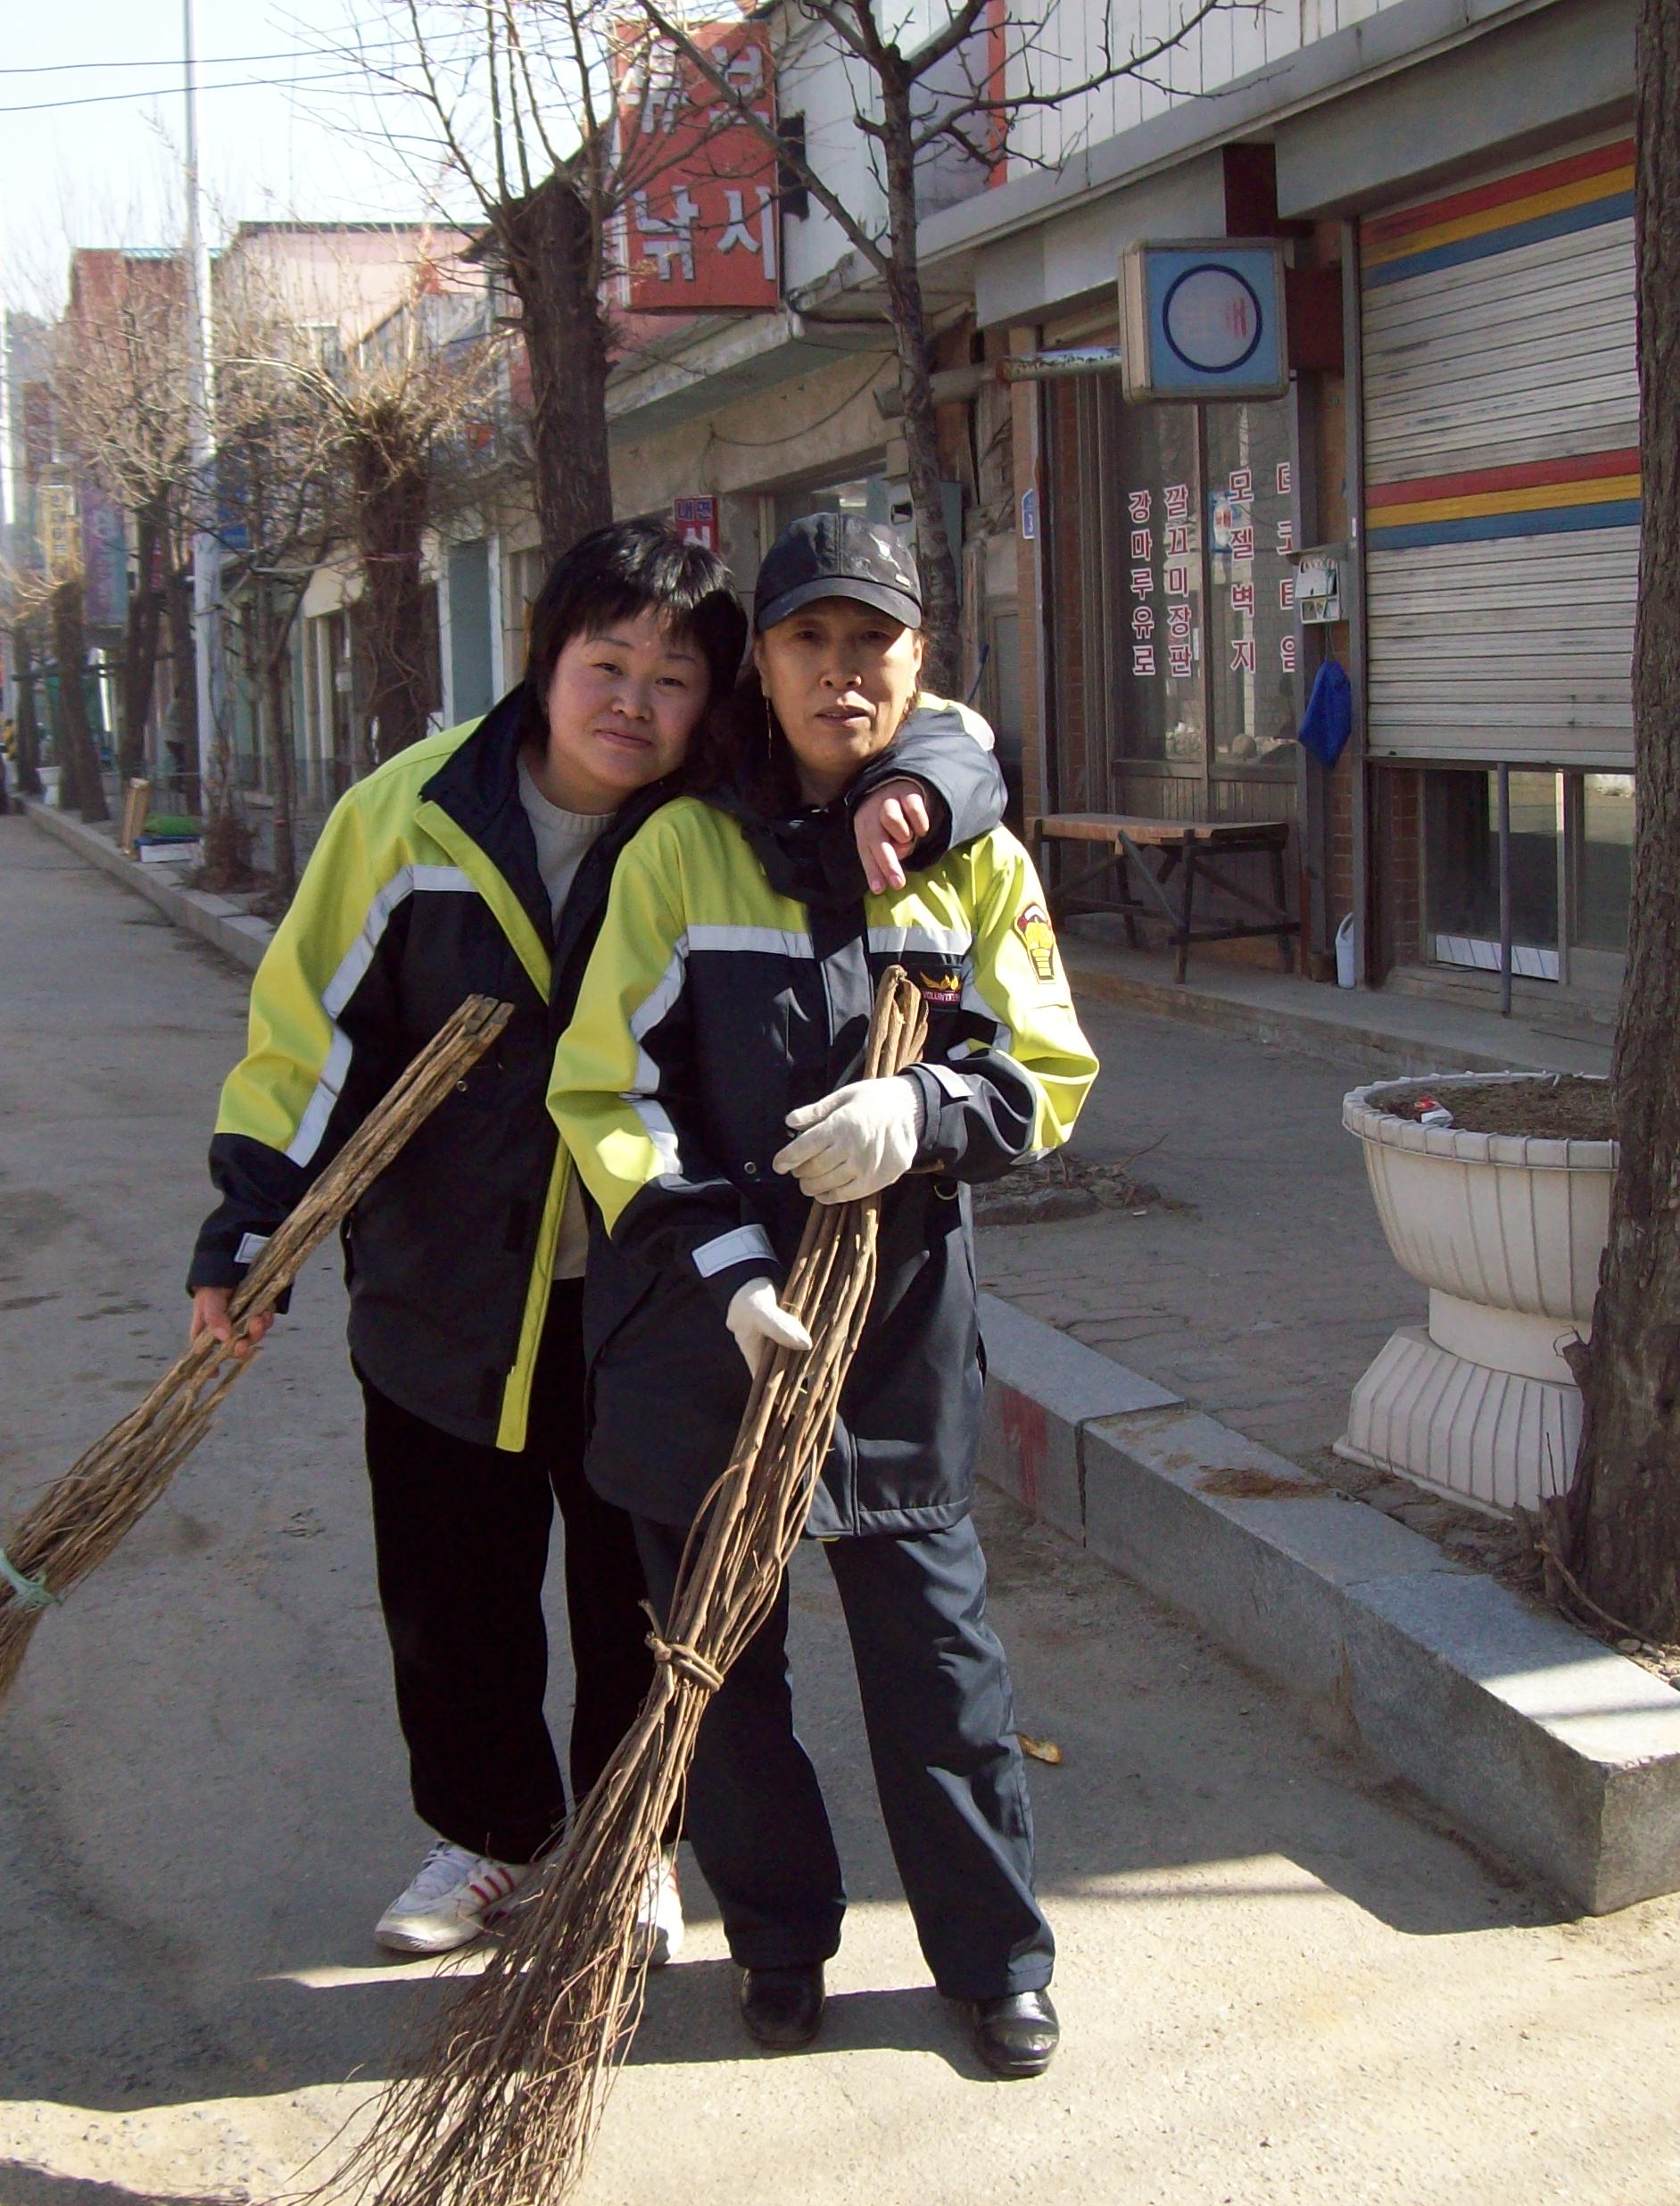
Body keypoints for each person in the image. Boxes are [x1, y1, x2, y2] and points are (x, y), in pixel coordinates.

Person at [183, 518, 1006, 1961]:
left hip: (659, 1278)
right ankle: (488, 1838)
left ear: (717, 694)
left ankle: (642, 1845)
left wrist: (928, 788)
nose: (634, 703)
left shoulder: (724, 812)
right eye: (605, 664)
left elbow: (937, 732)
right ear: (544, 659)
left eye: (674, 677)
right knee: (453, 1589)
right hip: (449, 1284)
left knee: (644, 1590)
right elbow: (307, 1037)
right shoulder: (411, 817)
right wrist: (251, 1226)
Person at [547, 513, 1097, 2078]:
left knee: (941, 1672)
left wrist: (924, 1111)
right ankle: (778, 1947)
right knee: (724, 1681)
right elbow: (603, 1091)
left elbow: (1049, 1070)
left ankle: (996, 1961)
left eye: (873, 643)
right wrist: (723, 1265)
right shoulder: (680, 851)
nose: (841, 674)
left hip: (892, 1340)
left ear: (920, 663)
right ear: (764, 663)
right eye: (808, 640)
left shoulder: (973, 859)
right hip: (702, 1337)